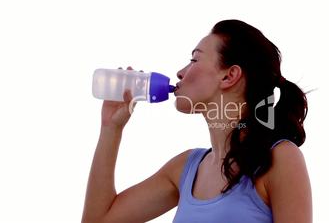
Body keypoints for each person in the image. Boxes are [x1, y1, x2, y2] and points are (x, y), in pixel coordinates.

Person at [82, 19, 312, 223]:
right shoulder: (185, 168)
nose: (180, 72)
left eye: (194, 59)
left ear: (229, 75)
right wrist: (111, 128)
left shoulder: (280, 159)